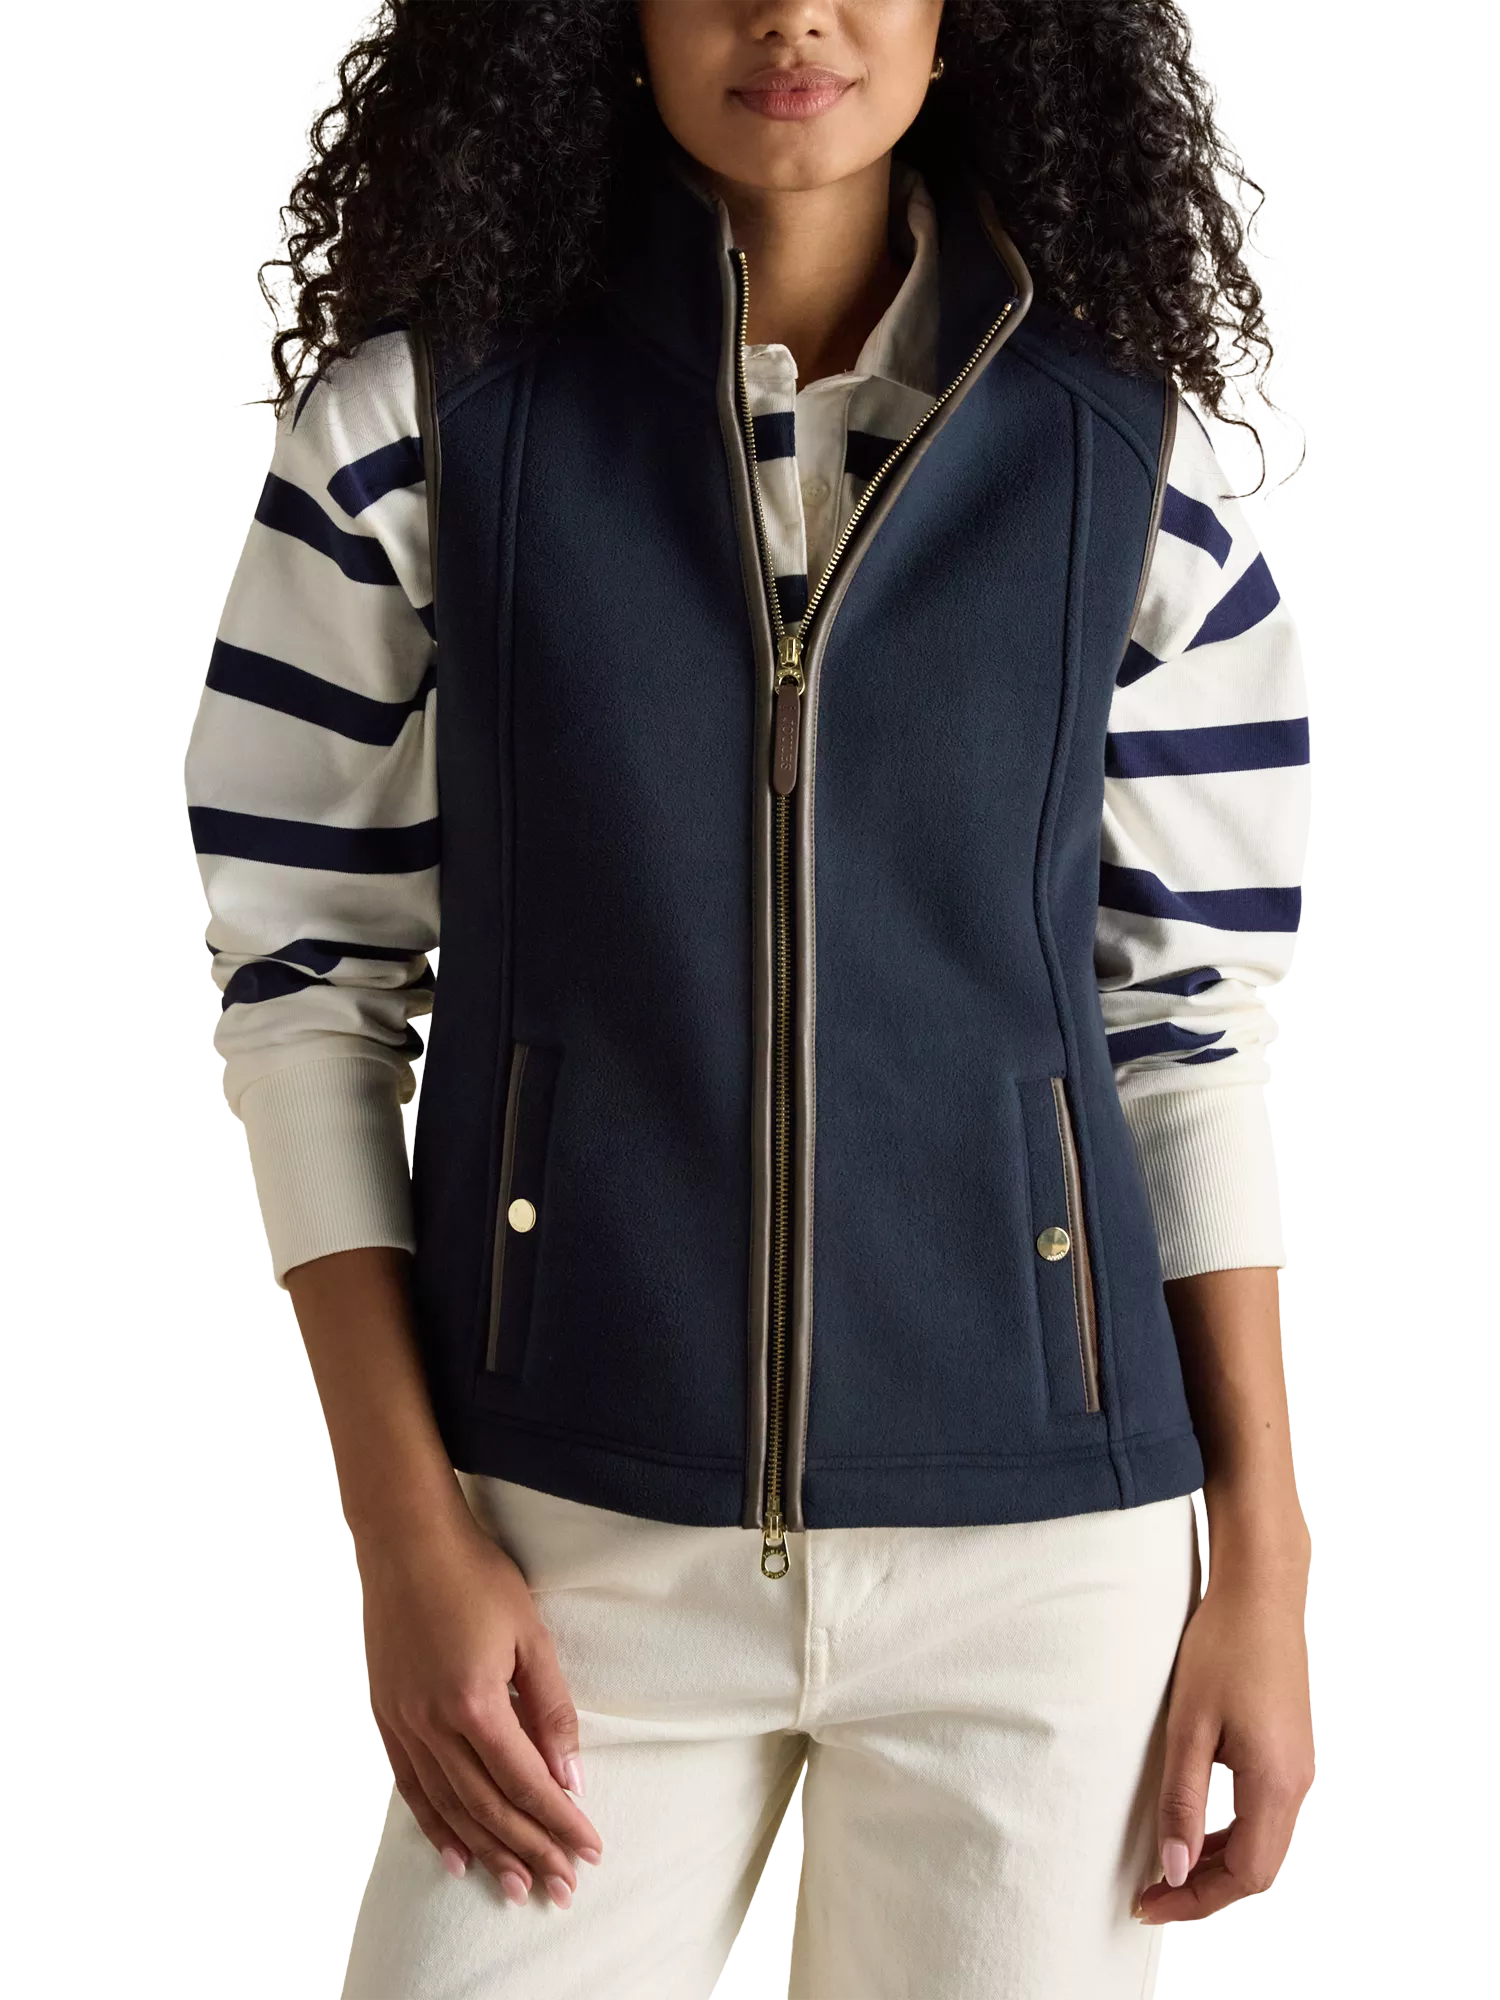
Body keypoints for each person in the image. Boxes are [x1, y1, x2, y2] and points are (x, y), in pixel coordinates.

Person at [185, 0, 1314, 1993]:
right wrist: (405, 1532)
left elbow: (1190, 1022)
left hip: (1041, 1566)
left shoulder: (1135, 454)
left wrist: (1268, 1565)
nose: (791, 13)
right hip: (569, 1539)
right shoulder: (419, 427)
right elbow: (306, 986)